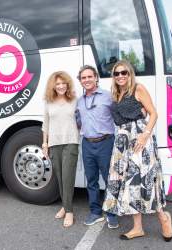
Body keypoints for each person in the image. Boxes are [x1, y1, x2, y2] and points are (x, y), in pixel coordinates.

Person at [102, 60, 172, 241]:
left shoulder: (138, 89)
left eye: (123, 72)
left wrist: (145, 135)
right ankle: (137, 228)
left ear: (130, 73)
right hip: (123, 141)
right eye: (116, 73)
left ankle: (163, 217)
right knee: (129, 182)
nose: (120, 76)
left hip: (140, 138)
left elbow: (154, 113)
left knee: (147, 178)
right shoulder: (116, 93)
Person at [75, 65, 118, 228]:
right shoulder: (79, 101)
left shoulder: (108, 97)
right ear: (80, 81)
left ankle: (112, 213)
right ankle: (95, 212)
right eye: (83, 78)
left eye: (89, 77)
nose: (86, 80)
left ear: (96, 78)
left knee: (109, 179)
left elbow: (118, 116)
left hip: (106, 142)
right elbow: (78, 121)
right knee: (91, 180)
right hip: (87, 143)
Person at [42, 71, 79, 228]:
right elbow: (46, 123)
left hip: (71, 141)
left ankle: (69, 211)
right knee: (60, 176)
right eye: (57, 84)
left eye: (63, 83)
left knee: (68, 177)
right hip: (54, 143)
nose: (61, 86)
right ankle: (65, 206)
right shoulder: (48, 101)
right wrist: (45, 143)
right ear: (53, 86)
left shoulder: (75, 100)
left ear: (68, 84)